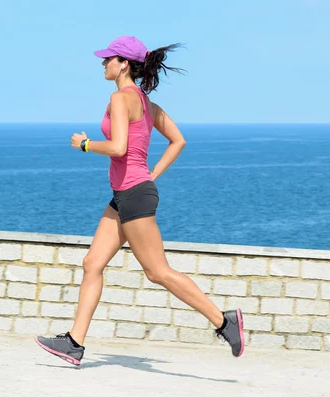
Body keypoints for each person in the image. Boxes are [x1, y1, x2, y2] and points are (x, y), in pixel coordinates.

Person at [35, 36, 244, 365]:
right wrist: (151, 175)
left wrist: (86, 145)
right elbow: (178, 141)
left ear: (124, 64)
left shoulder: (120, 98)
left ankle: (224, 322)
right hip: (126, 194)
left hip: (133, 195)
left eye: (108, 59)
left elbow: (118, 147)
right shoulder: (146, 103)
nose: (103, 63)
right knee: (92, 263)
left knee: (158, 272)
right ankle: (74, 343)